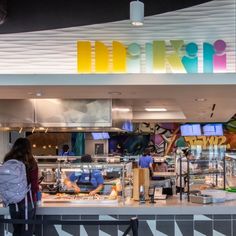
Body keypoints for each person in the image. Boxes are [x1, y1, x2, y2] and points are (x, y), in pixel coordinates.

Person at [4, 138, 39, 236]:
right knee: (27, 231)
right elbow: (34, 185)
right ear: (28, 148)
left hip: (13, 201)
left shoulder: (8, 160)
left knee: (17, 230)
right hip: (27, 201)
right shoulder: (31, 161)